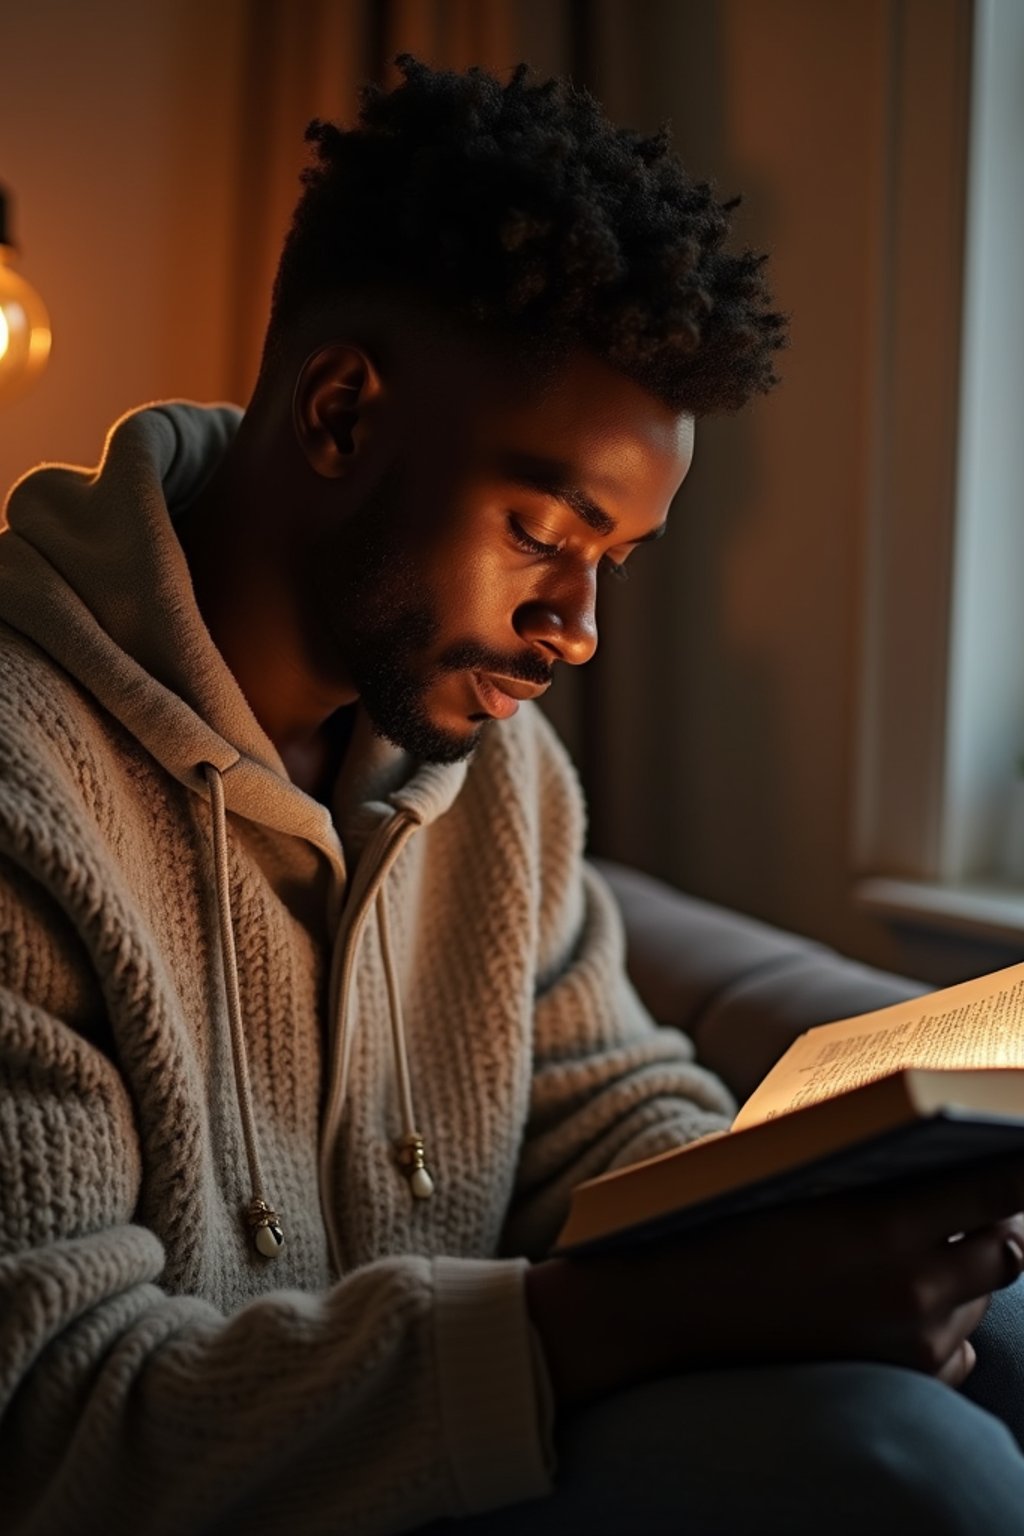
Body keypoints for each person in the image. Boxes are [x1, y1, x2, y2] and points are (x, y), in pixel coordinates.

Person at [1, 52, 1024, 1536]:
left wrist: (796, 1225)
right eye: (546, 530)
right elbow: (53, 1420)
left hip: (481, 1443)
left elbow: (598, 1102)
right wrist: (623, 1322)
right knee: (910, 1477)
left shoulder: (491, 765)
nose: (582, 630)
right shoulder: (29, 790)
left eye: (617, 562)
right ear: (341, 415)